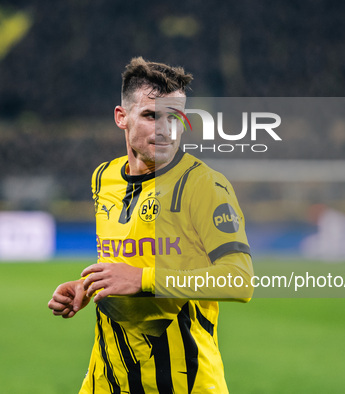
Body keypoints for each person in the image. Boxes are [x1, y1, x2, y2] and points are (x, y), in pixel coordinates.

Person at [48, 57, 253, 393]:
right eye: (150, 115)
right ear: (121, 117)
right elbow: (127, 256)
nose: (165, 129)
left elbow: (239, 280)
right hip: (106, 381)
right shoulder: (104, 177)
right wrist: (88, 285)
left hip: (183, 383)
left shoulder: (204, 186)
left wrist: (141, 280)